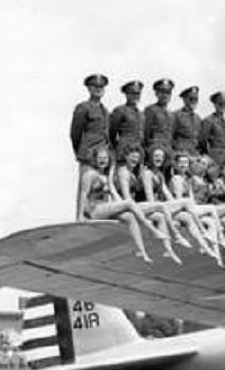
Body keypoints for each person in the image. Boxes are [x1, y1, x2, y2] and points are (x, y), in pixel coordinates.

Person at [78, 145, 167, 263]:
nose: (103, 160)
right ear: (95, 159)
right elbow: (83, 195)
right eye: (100, 158)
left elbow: (114, 195)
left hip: (104, 208)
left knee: (129, 216)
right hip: (93, 210)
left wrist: (123, 206)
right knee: (129, 202)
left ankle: (142, 252)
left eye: (105, 158)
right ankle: (152, 229)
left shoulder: (105, 177)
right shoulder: (90, 174)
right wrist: (80, 215)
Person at [112, 147, 181, 264]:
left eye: (137, 157)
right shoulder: (124, 172)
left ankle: (168, 249)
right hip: (127, 208)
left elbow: (167, 194)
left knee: (160, 216)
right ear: (126, 157)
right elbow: (127, 197)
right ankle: (175, 234)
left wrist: (175, 204)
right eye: (133, 157)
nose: (135, 159)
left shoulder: (135, 173)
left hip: (136, 206)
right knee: (161, 208)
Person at [71, 73, 111, 219]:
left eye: (101, 87)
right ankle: (80, 218)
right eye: (95, 87)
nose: (98, 90)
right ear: (89, 88)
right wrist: (81, 152)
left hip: (102, 155)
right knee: (85, 188)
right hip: (87, 154)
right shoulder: (83, 108)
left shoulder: (105, 110)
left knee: (101, 188)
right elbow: (75, 133)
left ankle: (98, 218)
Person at [109, 80, 144, 161]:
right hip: (124, 151)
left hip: (138, 152)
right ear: (127, 94)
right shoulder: (120, 110)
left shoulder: (141, 114)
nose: (136, 96)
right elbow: (111, 132)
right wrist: (116, 147)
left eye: (138, 94)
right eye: (133, 93)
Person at [198, 91, 225, 166]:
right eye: (220, 104)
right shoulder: (208, 121)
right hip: (213, 158)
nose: (222, 106)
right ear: (215, 104)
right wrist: (207, 156)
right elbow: (202, 141)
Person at [143, 79, 175, 155]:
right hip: (154, 149)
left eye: (168, 93)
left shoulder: (171, 114)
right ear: (156, 93)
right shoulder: (150, 110)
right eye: (162, 92)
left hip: (168, 150)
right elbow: (146, 133)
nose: (165, 95)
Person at [171, 86, 201, 157]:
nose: (194, 101)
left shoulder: (198, 118)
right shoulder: (176, 115)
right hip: (180, 153)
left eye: (196, 99)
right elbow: (170, 136)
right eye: (191, 99)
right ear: (184, 100)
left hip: (194, 154)